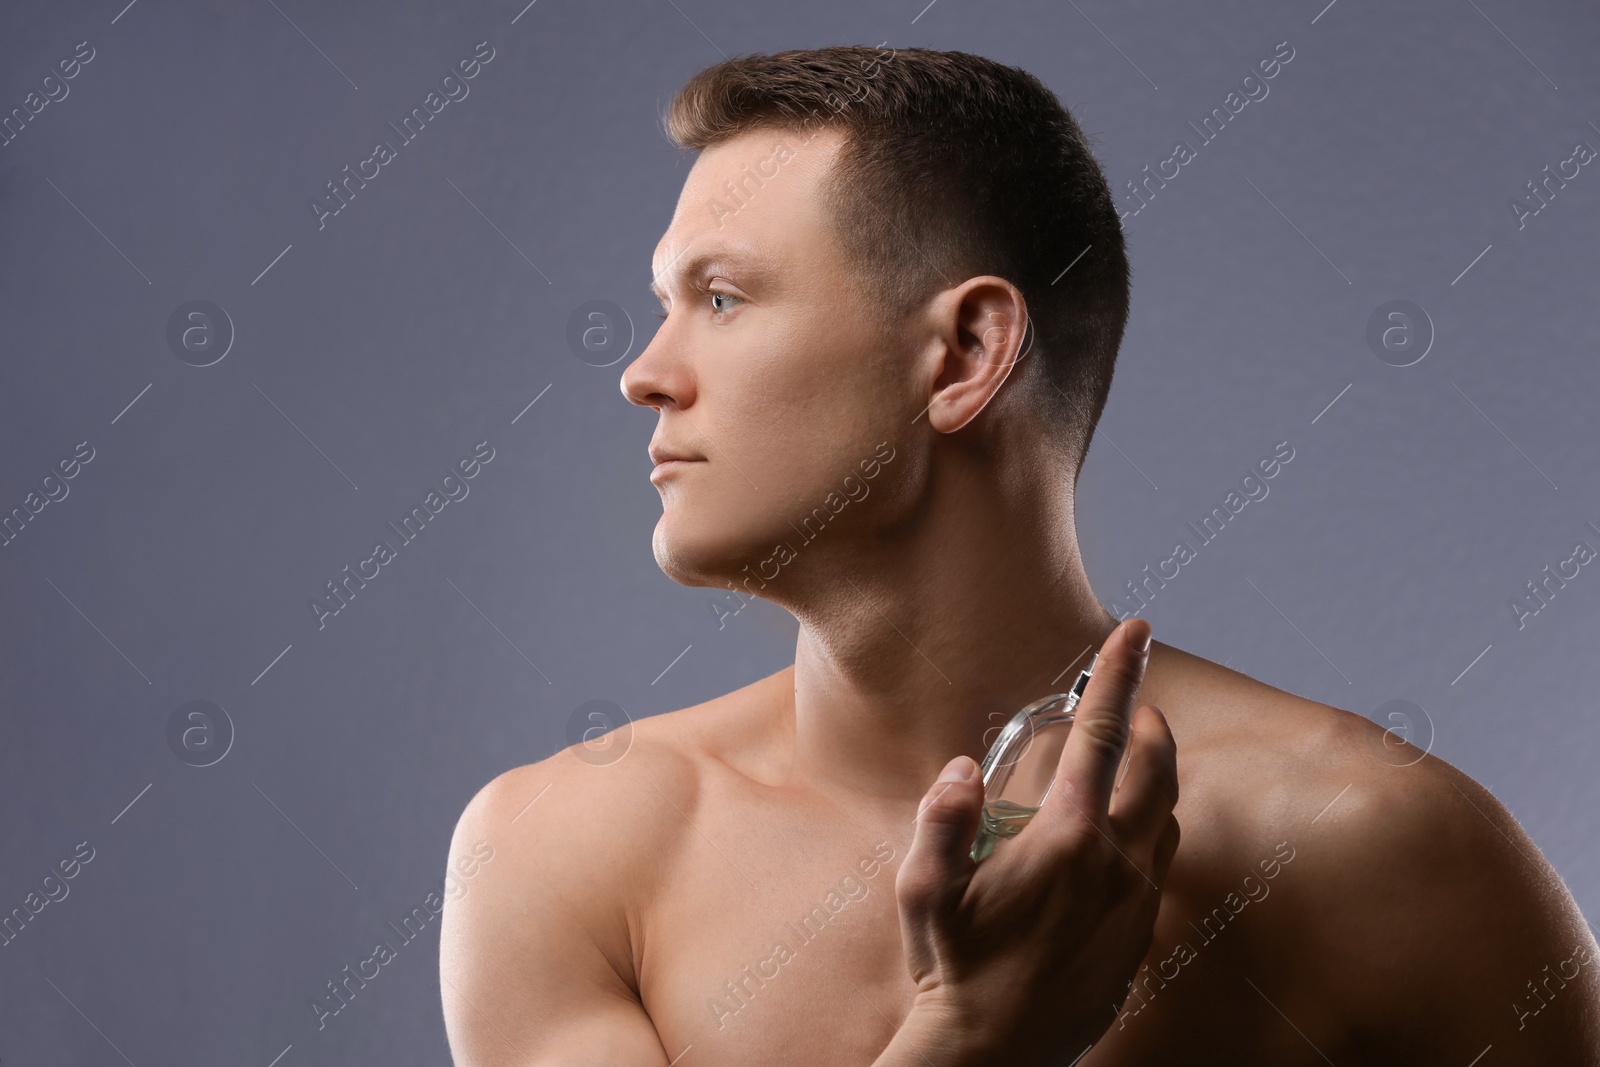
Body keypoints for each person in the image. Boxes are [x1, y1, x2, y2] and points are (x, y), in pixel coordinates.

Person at [439, 45, 1600, 1064]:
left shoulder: (1375, 847)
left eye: (722, 297)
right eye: (663, 302)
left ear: (964, 354)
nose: (644, 370)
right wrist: (978, 1039)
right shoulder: (564, 855)